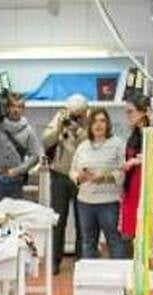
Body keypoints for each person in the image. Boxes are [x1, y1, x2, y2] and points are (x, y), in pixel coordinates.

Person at [71, 108, 128, 259]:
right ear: (89, 125)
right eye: (95, 121)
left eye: (102, 121)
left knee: (115, 241)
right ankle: (90, 273)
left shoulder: (118, 145)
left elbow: (123, 172)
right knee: (87, 243)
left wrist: (105, 177)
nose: (98, 125)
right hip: (85, 203)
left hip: (109, 203)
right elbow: (72, 170)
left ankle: (119, 273)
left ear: (108, 124)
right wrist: (79, 177)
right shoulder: (83, 146)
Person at [42, 93, 88, 273]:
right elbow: (46, 140)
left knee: (82, 221)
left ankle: (82, 260)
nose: (74, 117)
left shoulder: (91, 121)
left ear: (84, 112)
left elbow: (92, 144)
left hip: (81, 176)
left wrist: (79, 131)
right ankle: (54, 260)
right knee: (57, 220)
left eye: (78, 115)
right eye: (72, 114)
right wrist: (59, 128)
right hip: (60, 174)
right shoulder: (60, 118)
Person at [0, 92, 42, 202]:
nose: (16, 110)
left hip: (15, 179)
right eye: (13, 106)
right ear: (7, 108)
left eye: (19, 107)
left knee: (14, 211)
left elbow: (35, 156)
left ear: (23, 109)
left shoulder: (28, 130)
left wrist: (18, 170)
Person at [119, 93, 151, 240]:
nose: (128, 116)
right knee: (131, 233)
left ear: (143, 112)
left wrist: (135, 161)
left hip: (146, 186)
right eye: (127, 112)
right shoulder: (134, 135)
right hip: (131, 186)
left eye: (131, 111)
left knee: (144, 231)